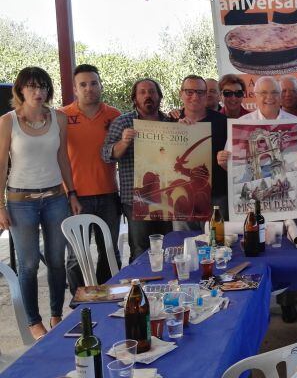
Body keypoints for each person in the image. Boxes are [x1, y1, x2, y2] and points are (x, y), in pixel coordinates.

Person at [217, 76, 297, 324]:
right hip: (253, 203)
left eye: (274, 92)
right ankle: (253, 304)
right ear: (255, 96)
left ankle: (288, 302)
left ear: (281, 96)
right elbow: (234, 168)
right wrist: (223, 163)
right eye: (263, 93)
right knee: (253, 250)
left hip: (286, 198)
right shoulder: (241, 125)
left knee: (288, 252)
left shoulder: (295, 123)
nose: (269, 97)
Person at [0, 67, 81, 340]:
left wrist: (72, 193)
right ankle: (34, 322)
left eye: (44, 86)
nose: (39, 92)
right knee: (29, 264)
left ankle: (56, 314)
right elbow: (1, 166)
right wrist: (0, 206)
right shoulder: (7, 121)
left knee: (57, 259)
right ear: (20, 90)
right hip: (20, 200)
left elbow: (63, 159)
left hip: (55, 197)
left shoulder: (59, 118)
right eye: (33, 86)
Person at [60, 64, 122, 295]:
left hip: (108, 194)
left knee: (109, 252)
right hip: (75, 196)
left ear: (101, 85)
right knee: (77, 255)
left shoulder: (114, 115)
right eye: (83, 84)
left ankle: (105, 298)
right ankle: (80, 304)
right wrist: (69, 192)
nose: (89, 89)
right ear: (75, 89)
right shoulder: (62, 116)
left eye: (93, 83)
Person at [102, 78, 172, 262]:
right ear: (135, 98)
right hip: (135, 199)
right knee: (140, 249)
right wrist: (123, 142)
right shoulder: (123, 122)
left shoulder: (171, 122)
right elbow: (106, 154)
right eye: (142, 92)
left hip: (166, 196)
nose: (148, 95)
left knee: (168, 247)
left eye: (152, 91)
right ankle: (139, 288)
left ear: (159, 97)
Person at [171, 75, 228, 227]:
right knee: (183, 244)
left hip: (216, 197)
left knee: (218, 243)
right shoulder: (170, 123)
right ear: (181, 93)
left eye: (200, 92)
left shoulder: (223, 122)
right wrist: (176, 131)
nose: (195, 96)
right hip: (182, 196)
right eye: (189, 92)